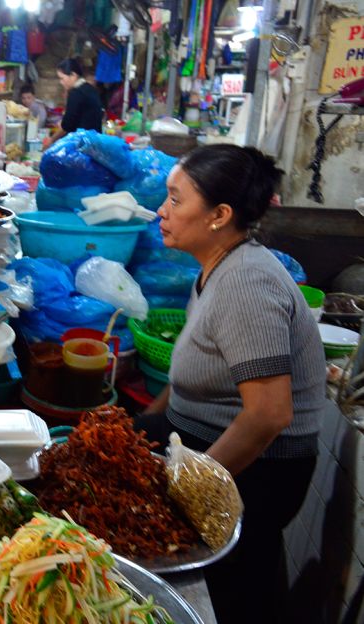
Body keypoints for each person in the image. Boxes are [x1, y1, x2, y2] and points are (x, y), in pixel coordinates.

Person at [134, 145, 334, 624]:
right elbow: (187, 371)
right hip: (202, 440)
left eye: (176, 200)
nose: (162, 210)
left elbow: (269, 414)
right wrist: (145, 424)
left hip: (258, 470)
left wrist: (187, 489)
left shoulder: (247, 281)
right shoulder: (215, 268)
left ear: (219, 215)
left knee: (236, 593)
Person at [48, 58, 103, 144]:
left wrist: (51, 140)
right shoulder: (89, 89)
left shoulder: (76, 93)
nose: (61, 82)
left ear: (73, 75)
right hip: (95, 142)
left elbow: (67, 126)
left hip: (84, 145)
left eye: (62, 78)